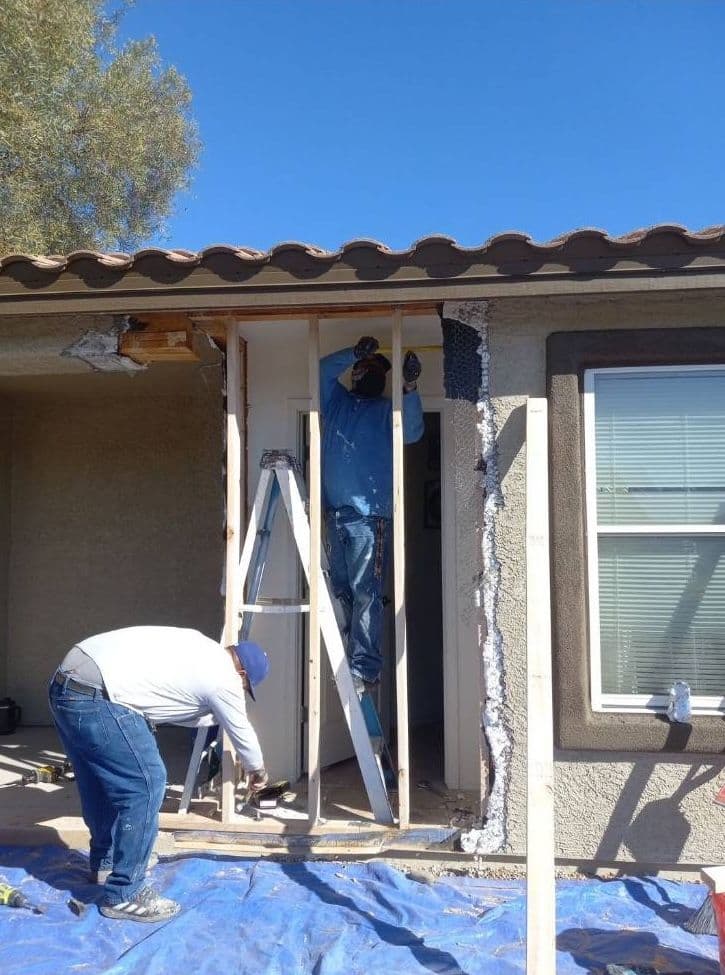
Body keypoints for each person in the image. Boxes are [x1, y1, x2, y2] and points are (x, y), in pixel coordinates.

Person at [48, 626, 269, 922]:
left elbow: (177, 706)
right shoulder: (225, 679)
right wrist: (258, 771)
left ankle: (107, 861)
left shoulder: (200, 645)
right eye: (244, 688)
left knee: (102, 778)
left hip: (66, 682)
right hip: (100, 697)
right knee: (146, 783)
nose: (240, 691)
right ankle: (126, 893)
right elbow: (240, 729)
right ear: (242, 675)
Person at [320, 335, 424, 693]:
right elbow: (321, 370)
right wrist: (351, 352)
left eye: (375, 370)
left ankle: (365, 667)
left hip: (369, 518)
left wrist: (410, 388)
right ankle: (351, 656)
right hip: (335, 515)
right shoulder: (335, 402)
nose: (368, 374)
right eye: (364, 368)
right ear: (354, 373)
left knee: (366, 591)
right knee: (340, 591)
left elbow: (412, 432)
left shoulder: (386, 412)